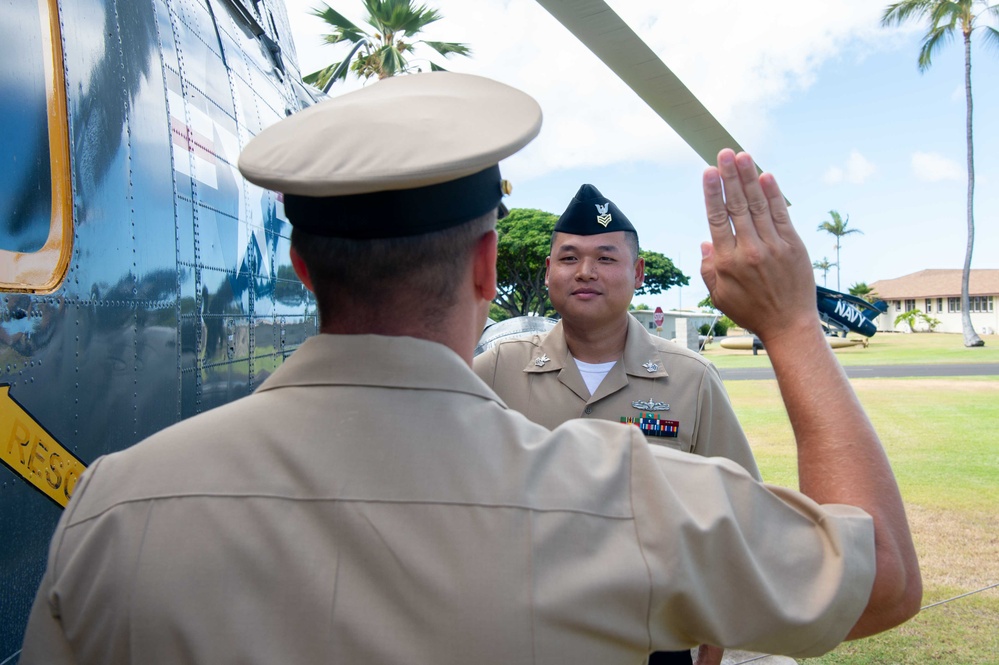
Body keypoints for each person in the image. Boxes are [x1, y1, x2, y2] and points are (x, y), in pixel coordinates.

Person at [20, 72, 920, 664]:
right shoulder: (633, 504)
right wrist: (796, 324)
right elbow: (878, 579)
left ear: (302, 267)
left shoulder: (112, 506)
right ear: (491, 267)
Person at [473, 186, 757, 665]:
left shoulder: (691, 381)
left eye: (606, 257)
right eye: (568, 258)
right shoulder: (496, 370)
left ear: (637, 272)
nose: (585, 272)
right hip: (524, 636)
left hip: (653, 640)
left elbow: (737, 512)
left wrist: (715, 637)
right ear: (548, 272)